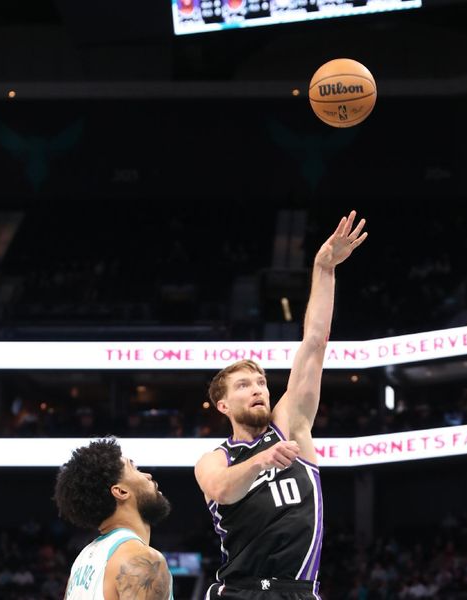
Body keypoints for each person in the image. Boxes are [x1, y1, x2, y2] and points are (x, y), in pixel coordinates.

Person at [195, 210, 368, 599]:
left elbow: (314, 344)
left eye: (260, 382)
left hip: (299, 591)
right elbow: (220, 490)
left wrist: (324, 270)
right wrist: (262, 460)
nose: (258, 388)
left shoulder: (290, 425)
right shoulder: (214, 459)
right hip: (239, 591)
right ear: (222, 406)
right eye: (243, 384)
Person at [54, 437, 174, 600]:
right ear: (121, 491)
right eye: (135, 469)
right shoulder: (141, 558)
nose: (148, 475)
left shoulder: (81, 562)